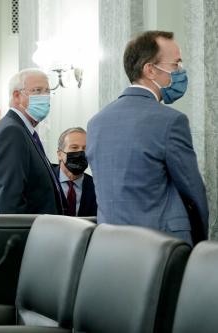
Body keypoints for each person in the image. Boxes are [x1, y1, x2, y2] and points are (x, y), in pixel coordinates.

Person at [87, 30, 208, 245]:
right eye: (176, 65)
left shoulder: (96, 122)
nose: (181, 72)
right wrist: (200, 243)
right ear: (150, 70)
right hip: (163, 246)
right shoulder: (170, 121)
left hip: (110, 247)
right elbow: (192, 192)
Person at [0, 68, 63, 214]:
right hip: (26, 234)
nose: (45, 96)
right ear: (17, 96)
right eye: (37, 91)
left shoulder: (21, 130)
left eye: (47, 91)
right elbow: (10, 202)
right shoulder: (12, 132)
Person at [53, 127, 97, 217]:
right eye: (74, 147)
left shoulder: (96, 187)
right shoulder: (45, 180)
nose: (80, 152)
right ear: (60, 154)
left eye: (85, 148)